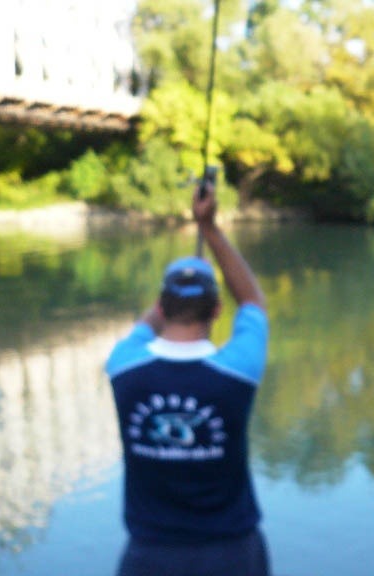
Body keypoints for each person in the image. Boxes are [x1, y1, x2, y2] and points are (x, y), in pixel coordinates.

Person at [105, 183, 269, 576]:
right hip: (232, 554)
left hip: (149, 556)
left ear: (161, 307)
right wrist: (209, 227)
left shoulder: (122, 366)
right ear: (216, 310)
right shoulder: (237, 372)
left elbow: (146, 326)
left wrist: (174, 292)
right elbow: (252, 302)